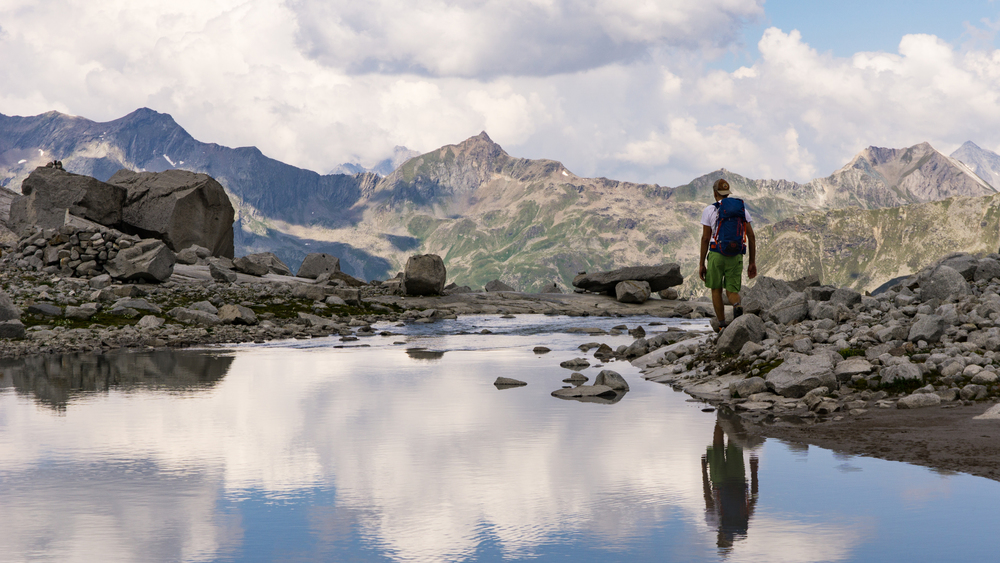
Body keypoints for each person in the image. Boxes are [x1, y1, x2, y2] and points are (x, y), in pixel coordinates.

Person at [698, 178, 756, 332]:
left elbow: (705, 238)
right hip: (736, 255)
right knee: (732, 291)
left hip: (716, 254)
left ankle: (722, 326)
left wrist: (701, 263)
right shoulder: (742, 210)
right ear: (727, 193)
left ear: (715, 193)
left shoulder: (710, 210)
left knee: (716, 289)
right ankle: (737, 306)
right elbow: (751, 236)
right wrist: (752, 262)